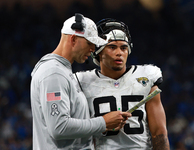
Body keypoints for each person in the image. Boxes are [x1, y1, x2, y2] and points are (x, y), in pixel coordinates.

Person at [30, 14, 131, 150]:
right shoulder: (53, 73)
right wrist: (103, 122)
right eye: (89, 43)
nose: (93, 49)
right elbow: (59, 127)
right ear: (73, 39)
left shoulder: (62, 70)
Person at [75, 18, 170, 149]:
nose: (119, 53)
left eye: (124, 48)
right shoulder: (81, 82)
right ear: (98, 51)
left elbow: (159, 133)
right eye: (112, 47)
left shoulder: (147, 76)